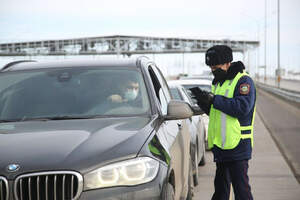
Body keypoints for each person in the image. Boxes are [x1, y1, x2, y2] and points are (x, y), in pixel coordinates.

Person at [190, 45, 256, 200]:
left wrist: (214, 99)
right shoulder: (219, 82)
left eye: (216, 66)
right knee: (220, 189)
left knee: (241, 190)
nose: (213, 69)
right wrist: (204, 102)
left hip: (237, 144)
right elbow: (218, 112)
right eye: (211, 67)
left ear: (227, 63)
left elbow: (242, 108)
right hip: (222, 146)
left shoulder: (243, 81)